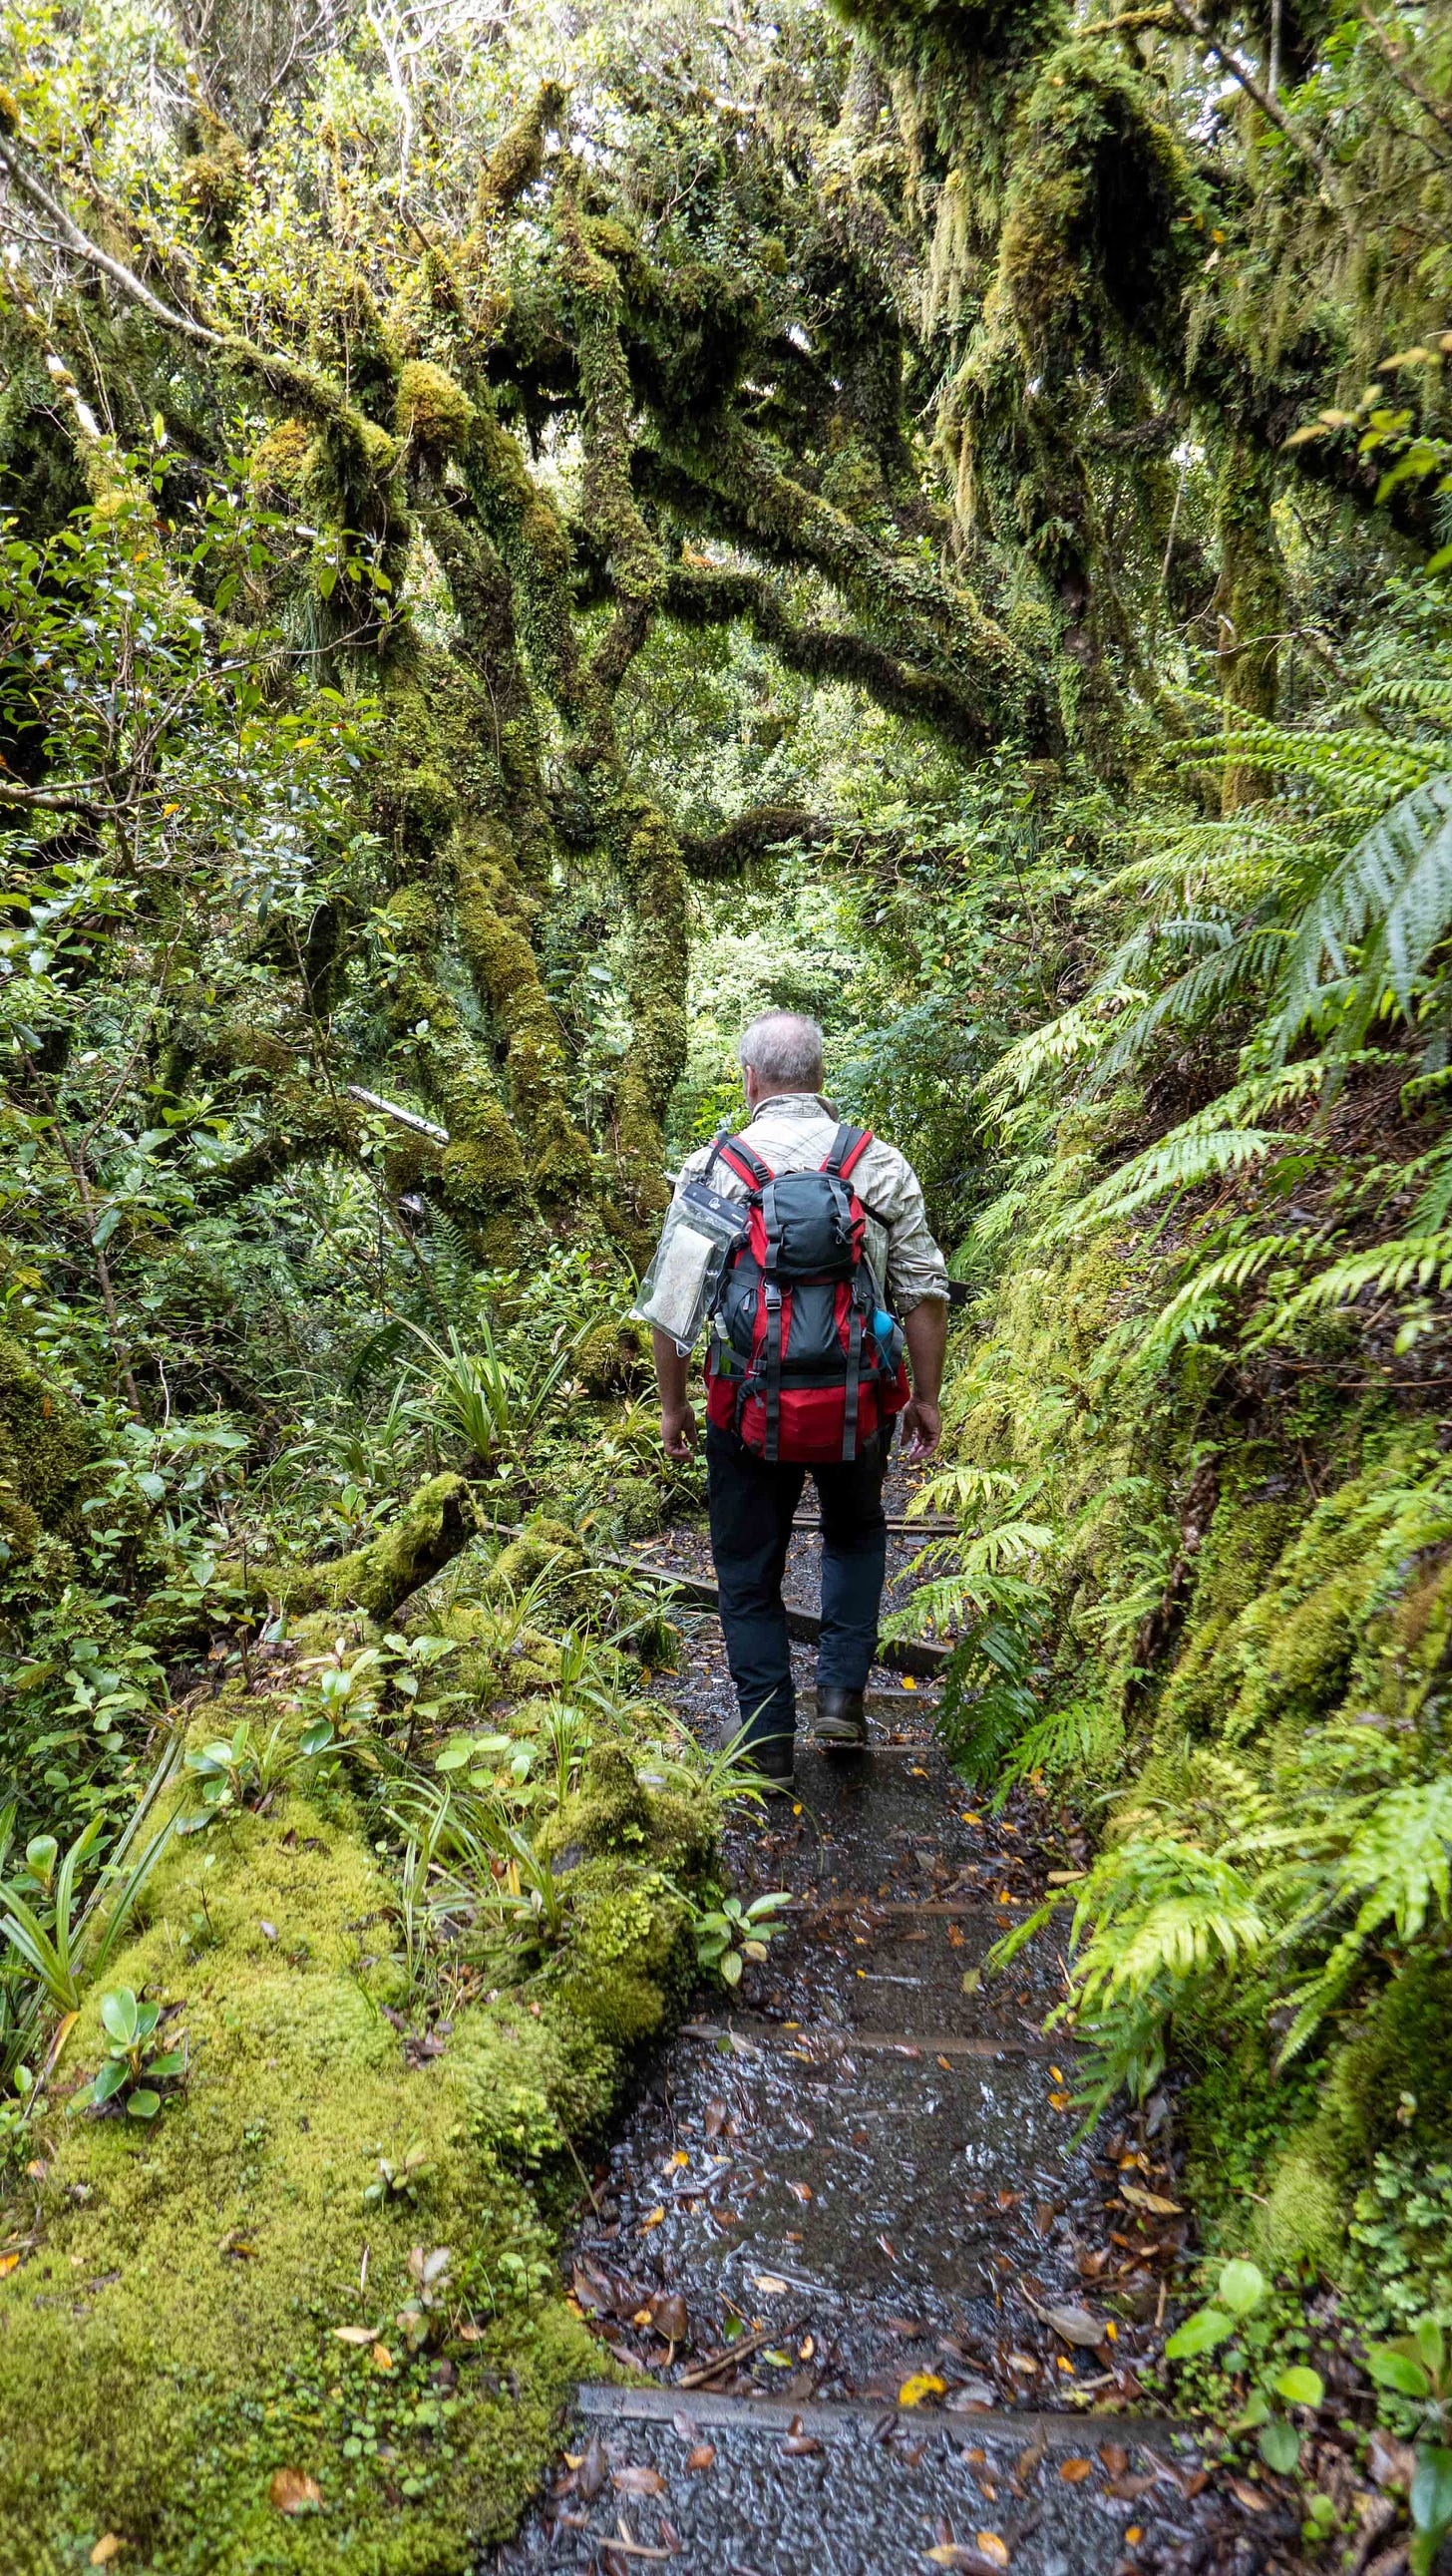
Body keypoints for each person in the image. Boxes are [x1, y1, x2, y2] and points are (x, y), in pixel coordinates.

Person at [648, 1009, 949, 1786]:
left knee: (748, 1566)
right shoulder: (875, 1163)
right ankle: (842, 1698)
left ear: (749, 1080)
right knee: (853, 1534)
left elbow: (674, 1304)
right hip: (858, 1405)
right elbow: (923, 1290)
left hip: (743, 1408)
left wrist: (673, 1404)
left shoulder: (713, 1168)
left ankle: (766, 1738)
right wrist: (925, 1397)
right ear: (821, 1076)